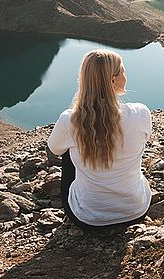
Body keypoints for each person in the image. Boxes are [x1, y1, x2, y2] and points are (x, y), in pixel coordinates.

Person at [47, 49, 152, 232]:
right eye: (123, 72)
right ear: (112, 80)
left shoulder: (70, 119)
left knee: (67, 153)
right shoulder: (141, 113)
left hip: (88, 219)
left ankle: (92, 200)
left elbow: (54, 149)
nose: (125, 76)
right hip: (135, 211)